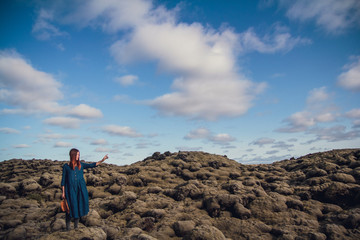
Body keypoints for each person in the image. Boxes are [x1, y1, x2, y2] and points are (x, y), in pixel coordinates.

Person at [61, 148, 108, 231]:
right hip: (70, 190)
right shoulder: (66, 166)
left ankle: (76, 227)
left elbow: (92, 165)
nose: (78, 156)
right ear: (73, 155)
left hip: (80, 189)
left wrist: (102, 160)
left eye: (79, 155)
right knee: (69, 208)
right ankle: (68, 228)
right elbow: (63, 180)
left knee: (78, 206)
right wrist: (63, 192)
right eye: (77, 155)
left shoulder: (81, 164)